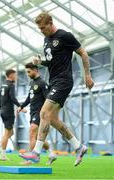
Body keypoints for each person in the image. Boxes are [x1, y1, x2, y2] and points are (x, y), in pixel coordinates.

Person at [22, 12, 94, 166]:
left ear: (50, 23)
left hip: (64, 81)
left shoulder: (65, 36)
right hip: (53, 81)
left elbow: (83, 53)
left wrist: (87, 75)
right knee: (53, 119)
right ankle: (79, 147)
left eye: (43, 28)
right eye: (39, 28)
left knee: (43, 112)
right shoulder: (46, 39)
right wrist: (40, 61)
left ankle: (36, 153)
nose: (41, 30)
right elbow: (51, 61)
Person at [17, 63, 57, 164]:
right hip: (32, 112)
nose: (27, 74)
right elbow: (29, 98)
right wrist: (21, 106)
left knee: (31, 132)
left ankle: (31, 159)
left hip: (40, 113)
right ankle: (51, 154)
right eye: (27, 72)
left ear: (35, 70)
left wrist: (47, 113)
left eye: (29, 72)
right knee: (38, 137)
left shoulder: (42, 83)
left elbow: (48, 99)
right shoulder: (32, 83)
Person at [0, 69, 22, 160]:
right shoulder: (11, 85)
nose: (16, 77)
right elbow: (13, 98)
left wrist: (1, 109)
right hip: (9, 111)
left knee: (11, 132)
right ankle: (3, 155)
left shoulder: (3, 85)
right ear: (10, 75)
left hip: (2, 110)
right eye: (15, 75)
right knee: (7, 133)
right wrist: (20, 106)